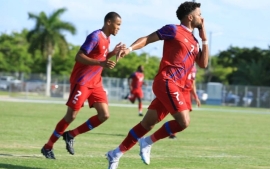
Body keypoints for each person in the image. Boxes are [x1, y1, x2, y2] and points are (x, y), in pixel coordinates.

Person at [106, 1, 208, 168]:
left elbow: (203, 64)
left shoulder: (195, 41)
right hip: (167, 81)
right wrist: (130, 49)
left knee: (147, 124)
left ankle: (115, 154)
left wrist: (204, 39)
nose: (202, 18)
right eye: (199, 15)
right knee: (184, 122)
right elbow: (147, 39)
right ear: (190, 17)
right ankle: (147, 142)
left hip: (178, 87)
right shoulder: (173, 29)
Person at [40, 11, 125, 159]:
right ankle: (48, 147)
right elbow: (79, 56)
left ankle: (71, 135)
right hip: (82, 81)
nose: (119, 28)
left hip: (96, 83)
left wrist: (113, 53)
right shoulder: (95, 36)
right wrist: (101, 63)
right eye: (118, 24)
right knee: (71, 116)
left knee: (104, 115)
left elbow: (100, 56)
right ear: (108, 22)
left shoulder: (107, 39)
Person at [169, 65, 201, 139]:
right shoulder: (184, 64)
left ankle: (172, 132)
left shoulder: (194, 69)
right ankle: (172, 133)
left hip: (187, 94)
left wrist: (196, 97)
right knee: (181, 116)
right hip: (180, 91)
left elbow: (193, 84)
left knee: (184, 117)